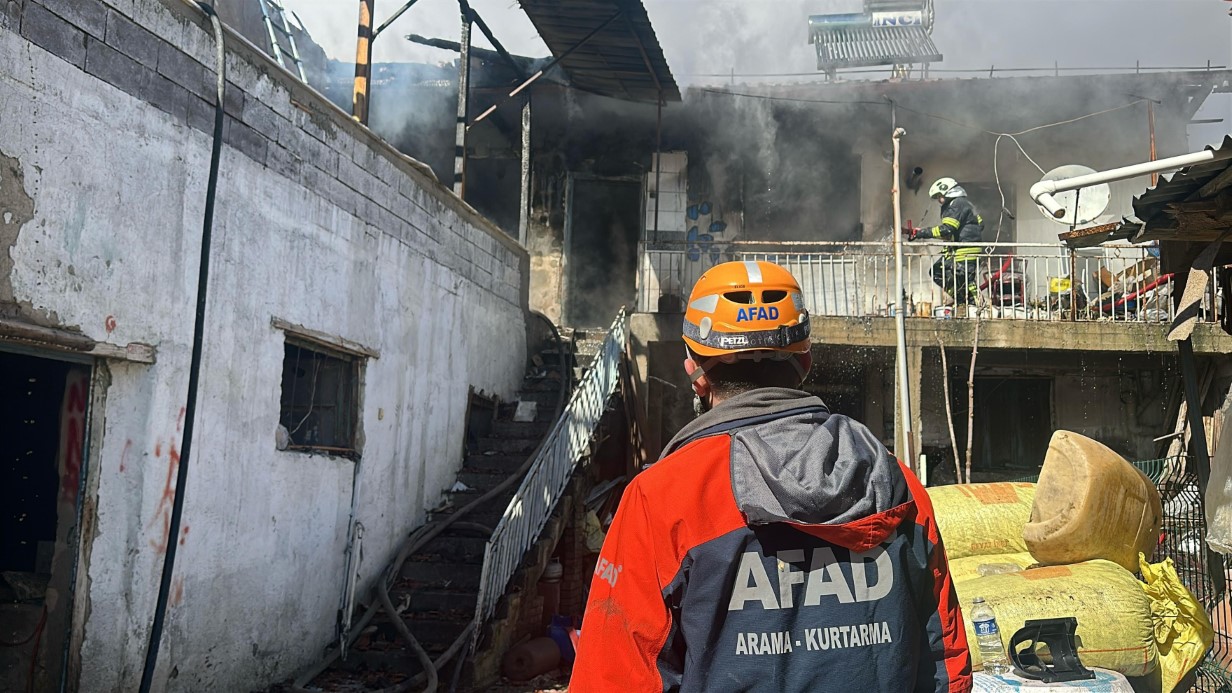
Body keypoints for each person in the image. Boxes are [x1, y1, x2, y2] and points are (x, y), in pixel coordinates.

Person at [571, 260, 972, 692]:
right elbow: (944, 663)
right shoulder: (894, 481)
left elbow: (614, 677)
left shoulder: (661, 497)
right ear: (805, 360)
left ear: (695, 372)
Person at [907, 177, 986, 306]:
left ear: (948, 191)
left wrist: (922, 233)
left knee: (964, 278)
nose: (939, 199)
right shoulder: (964, 203)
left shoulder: (957, 204)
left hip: (965, 249)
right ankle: (962, 299)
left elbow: (947, 229)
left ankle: (978, 305)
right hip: (959, 248)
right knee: (937, 272)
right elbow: (979, 225)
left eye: (940, 196)